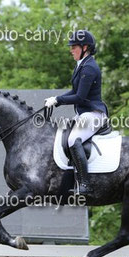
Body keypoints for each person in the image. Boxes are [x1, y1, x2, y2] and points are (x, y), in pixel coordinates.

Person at [45, 30, 108, 196]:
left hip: (94, 114)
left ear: (85, 47)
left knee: (73, 140)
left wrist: (58, 100)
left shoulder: (89, 68)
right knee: (62, 134)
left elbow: (80, 97)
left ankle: (85, 184)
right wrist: (55, 100)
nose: (71, 50)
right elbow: (74, 91)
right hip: (84, 114)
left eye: (74, 47)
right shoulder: (82, 65)